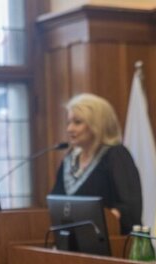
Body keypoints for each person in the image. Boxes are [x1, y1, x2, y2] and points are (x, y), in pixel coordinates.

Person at [50, 93, 142, 234]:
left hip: (112, 241)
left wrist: (110, 217)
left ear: (98, 125)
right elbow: (56, 203)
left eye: (77, 122)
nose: (69, 129)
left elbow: (131, 208)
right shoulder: (69, 160)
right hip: (72, 241)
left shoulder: (116, 155)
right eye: (68, 122)